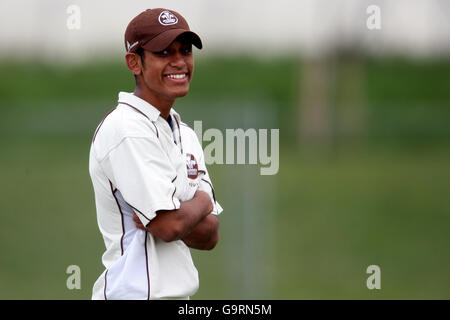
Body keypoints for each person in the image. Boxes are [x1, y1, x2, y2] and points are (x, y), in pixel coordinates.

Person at [89, 8, 223, 300]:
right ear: (134, 62)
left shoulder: (184, 132)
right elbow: (168, 225)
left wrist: (182, 212)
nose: (179, 62)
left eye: (185, 51)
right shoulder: (126, 128)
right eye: (163, 52)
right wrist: (200, 202)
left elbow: (210, 234)